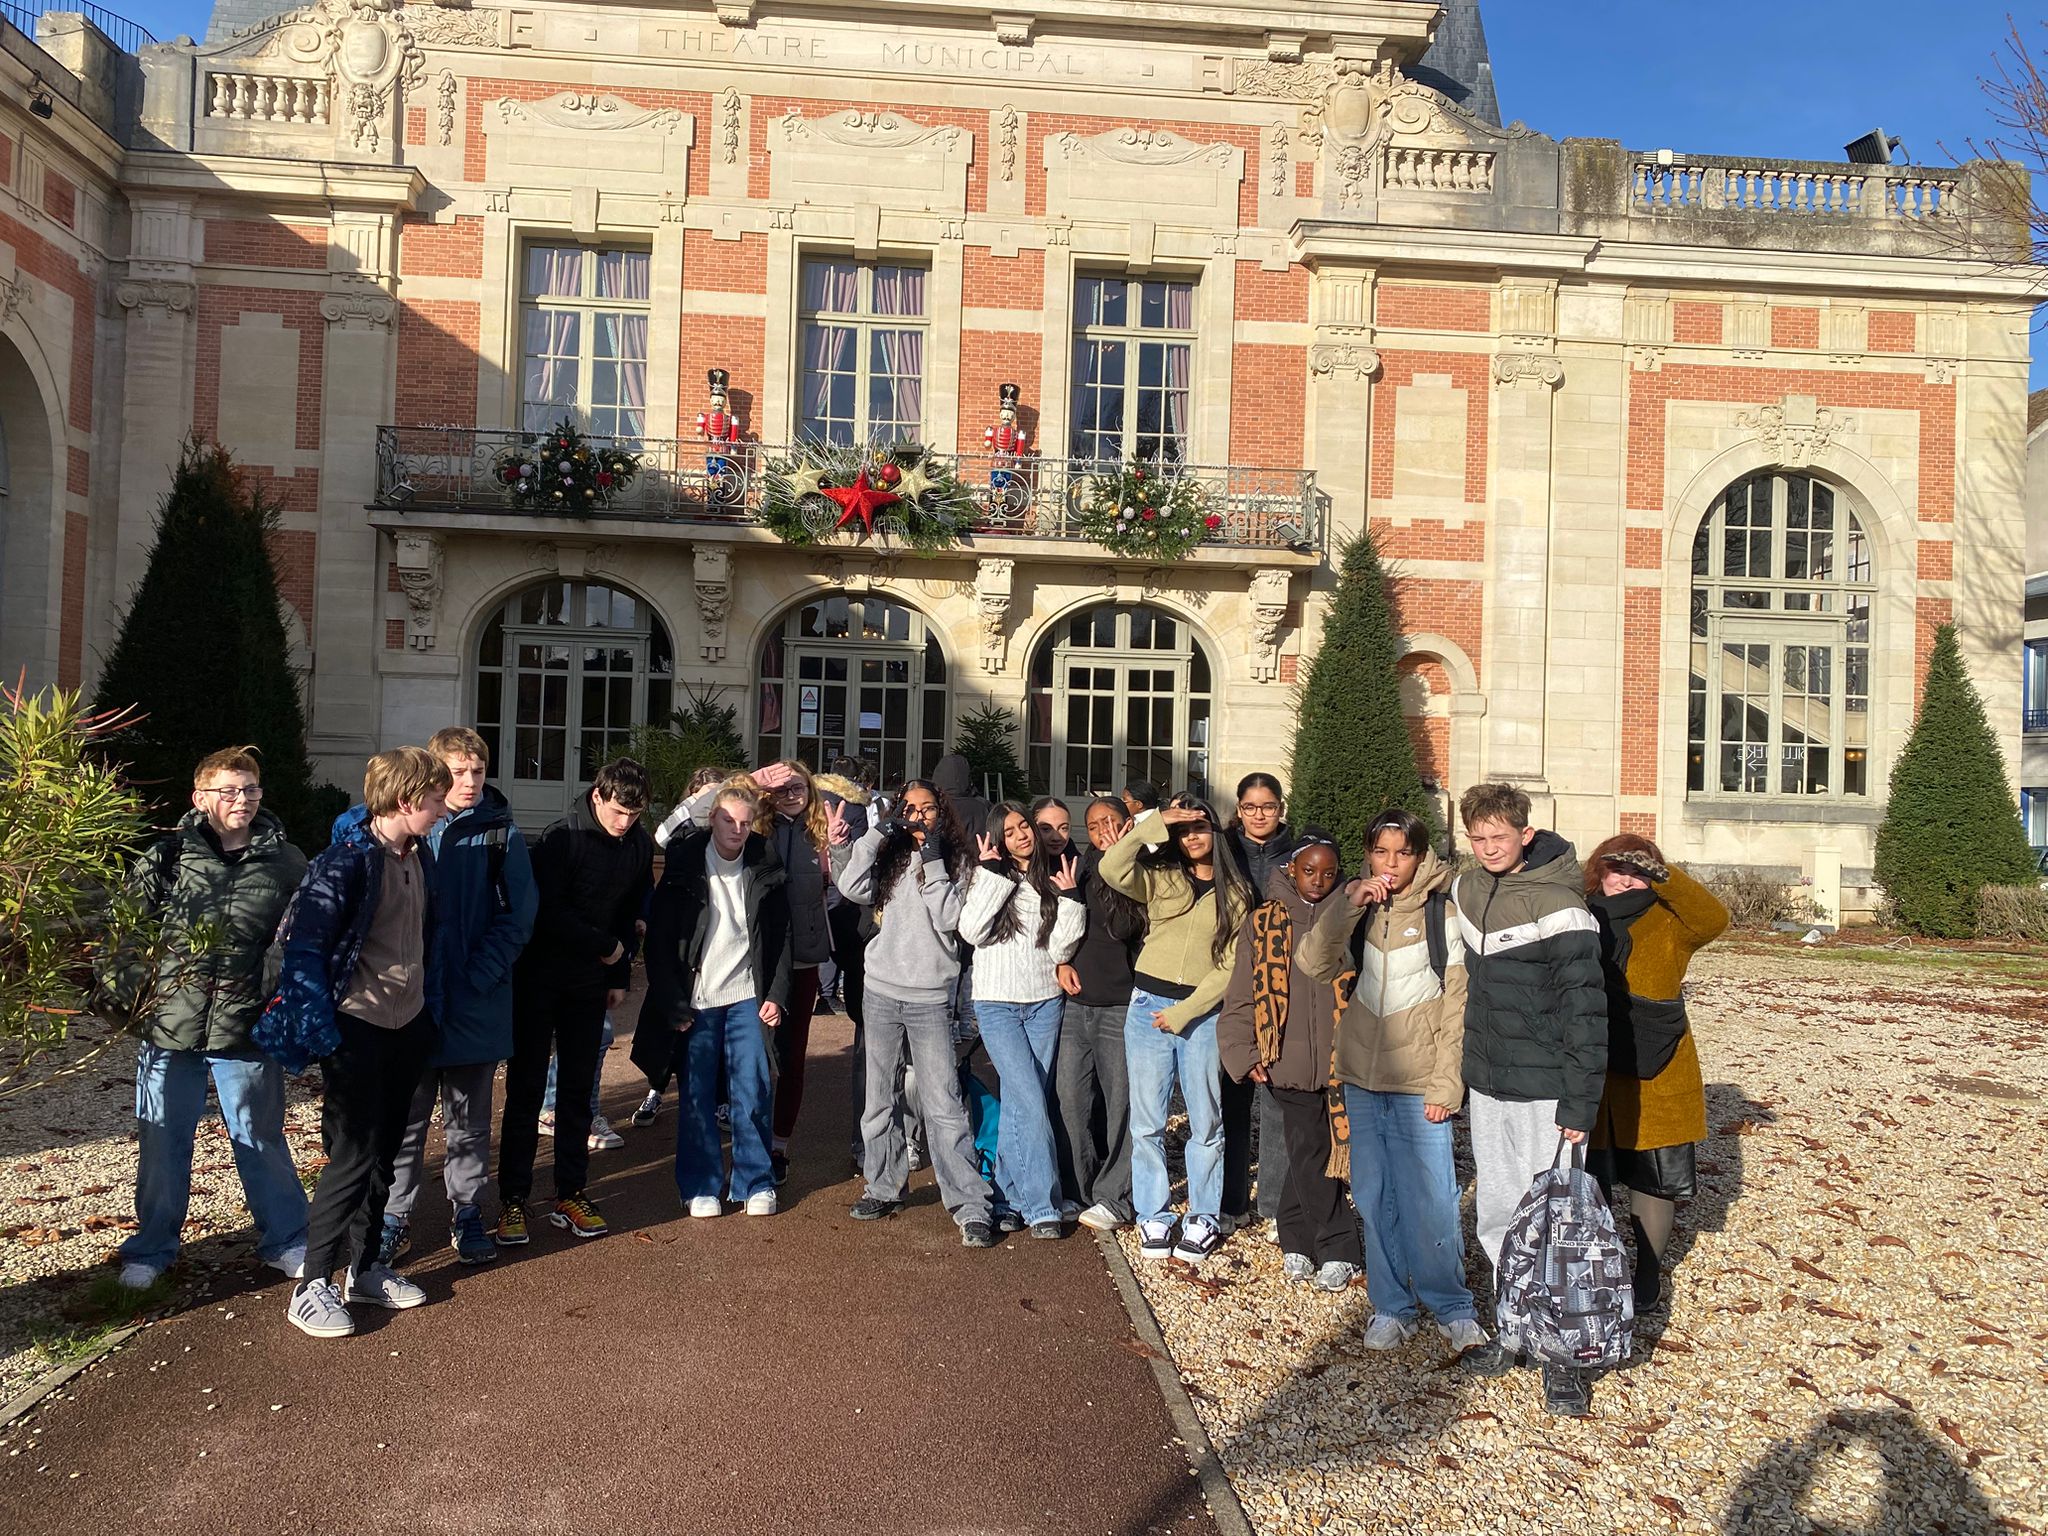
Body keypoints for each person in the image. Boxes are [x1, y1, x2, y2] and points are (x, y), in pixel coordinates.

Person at [101, 747, 310, 1292]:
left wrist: (275, 996)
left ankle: (287, 1239)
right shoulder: (167, 858)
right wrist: (136, 1003)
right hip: (170, 1029)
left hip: (245, 1029)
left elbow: (303, 940)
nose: (242, 800)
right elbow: (125, 933)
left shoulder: (287, 862)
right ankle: (151, 1250)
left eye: (251, 789)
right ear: (201, 798)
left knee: (259, 1137)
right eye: (229, 790)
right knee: (163, 1140)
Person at [259, 747, 449, 1339]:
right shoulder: (345, 862)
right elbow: (305, 952)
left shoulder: (419, 855)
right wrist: (325, 1032)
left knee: (385, 1151)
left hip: (407, 1026)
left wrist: (427, 1017)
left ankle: (364, 1270)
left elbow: (424, 939)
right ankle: (312, 1284)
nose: (444, 810)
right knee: (352, 1154)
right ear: (406, 801)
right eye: (436, 800)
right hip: (356, 1027)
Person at [1300, 808, 1495, 1366]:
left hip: (1418, 1082)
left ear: (1420, 855)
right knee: (1374, 1194)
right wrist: (1346, 904)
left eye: (1402, 853)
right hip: (1362, 1078)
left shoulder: (1444, 908)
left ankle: (1452, 1306)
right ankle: (1391, 1306)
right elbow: (1313, 964)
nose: (1390, 863)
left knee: (1431, 1198)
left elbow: (1459, 1005)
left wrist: (1446, 1084)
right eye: (1380, 852)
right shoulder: (1358, 905)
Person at [1451, 783, 1608, 1417]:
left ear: (1525, 834)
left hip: (1548, 1091)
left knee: (1557, 1224)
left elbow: (1586, 1012)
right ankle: (1514, 1329)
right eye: (1478, 838)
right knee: (1497, 1212)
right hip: (1490, 1085)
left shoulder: (1562, 905)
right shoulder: (1468, 888)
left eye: (1500, 837)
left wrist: (1580, 1105)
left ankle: (1564, 1358)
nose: (1490, 848)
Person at [381, 728, 536, 1270]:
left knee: (469, 1120)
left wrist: (481, 974)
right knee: (406, 1119)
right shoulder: (412, 828)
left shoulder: (500, 831)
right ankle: (393, 1218)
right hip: (413, 1000)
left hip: (474, 998)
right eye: (457, 771)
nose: (469, 781)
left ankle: (466, 1211)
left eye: (478, 770)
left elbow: (519, 915)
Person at [497, 758, 655, 1245]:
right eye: (618, 811)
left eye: (635, 814)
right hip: (538, 977)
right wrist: (606, 948)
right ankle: (513, 1199)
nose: (624, 822)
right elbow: (546, 912)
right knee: (525, 1091)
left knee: (577, 1090)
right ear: (597, 796)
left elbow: (631, 909)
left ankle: (570, 1192)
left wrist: (618, 971)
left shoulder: (637, 843)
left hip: (589, 980)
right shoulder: (560, 838)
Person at [836, 779, 998, 1247]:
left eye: (928, 808)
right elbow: (850, 886)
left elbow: (950, 919)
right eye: (909, 808)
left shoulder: (958, 862)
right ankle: (883, 1187)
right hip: (881, 990)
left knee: (943, 1102)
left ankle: (970, 1205)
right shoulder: (889, 857)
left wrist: (932, 858)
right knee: (878, 1098)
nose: (919, 815)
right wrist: (877, 833)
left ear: (941, 812)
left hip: (929, 995)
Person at [1100, 792, 1250, 1264]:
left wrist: (1186, 1012)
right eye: (1183, 831)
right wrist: (1158, 821)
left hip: (1201, 1014)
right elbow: (1111, 867)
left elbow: (1231, 966)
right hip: (1148, 1007)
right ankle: (1154, 1213)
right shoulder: (1162, 878)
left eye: (1199, 827)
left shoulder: (1237, 894)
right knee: (1147, 1121)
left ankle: (1203, 1216)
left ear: (1215, 832)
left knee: (1205, 1119)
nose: (1192, 837)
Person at [1582, 834, 1729, 1315]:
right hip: (1593, 1063)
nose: (1626, 880)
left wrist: (1667, 879)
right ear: (1599, 872)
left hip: (1656, 1065)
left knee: (1653, 1178)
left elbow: (1714, 919)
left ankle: (1648, 1271)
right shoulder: (1578, 914)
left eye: (1638, 871)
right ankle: (1597, 1266)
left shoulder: (1670, 921)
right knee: (1591, 1176)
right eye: (1617, 869)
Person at [636, 782, 792, 1216]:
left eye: (745, 822)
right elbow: (660, 939)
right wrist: (672, 1000)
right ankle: (699, 1184)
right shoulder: (685, 859)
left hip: (748, 994)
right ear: (712, 818)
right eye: (728, 820)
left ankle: (755, 1181)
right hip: (698, 996)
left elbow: (781, 933)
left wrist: (776, 994)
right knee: (697, 1092)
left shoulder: (764, 858)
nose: (736, 830)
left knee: (754, 1088)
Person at [1217, 830, 1361, 1292]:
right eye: (1309, 870)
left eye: (1329, 873)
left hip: (1342, 1060)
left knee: (1309, 1153)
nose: (1318, 880)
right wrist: (1242, 1051)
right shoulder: (1263, 922)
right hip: (1285, 1059)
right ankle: (1340, 1245)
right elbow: (1243, 990)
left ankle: (1295, 1238)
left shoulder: (1353, 916)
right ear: (1291, 869)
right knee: (1312, 1150)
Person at [959, 802, 1086, 1239]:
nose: (1022, 836)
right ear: (999, 838)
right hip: (997, 1003)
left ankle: (1007, 1198)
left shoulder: (1052, 877)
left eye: (1024, 827)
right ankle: (1042, 1205)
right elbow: (971, 931)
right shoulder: (988, 875)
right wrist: (993, 875)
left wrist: (1071, 900)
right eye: (1010, 831)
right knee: (1029, 1099)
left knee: (1023, 1099)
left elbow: (1061, 949)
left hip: (1044, 1002)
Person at [749, 759, 845, 1185]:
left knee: (791, 1056)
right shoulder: (755, 829)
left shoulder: (821, 832)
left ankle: (778, 1146)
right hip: (760, 959)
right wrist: (751, 785)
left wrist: (838, 850)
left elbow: (847, 885)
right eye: (782, 789)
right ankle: (749, 1141)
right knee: (753, 1054)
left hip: (804, 957)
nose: (790, 795)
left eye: (798, 787)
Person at [1053, 797, 1145, 1231]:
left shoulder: (1144, 869)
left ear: (1128, 823)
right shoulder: (1080, 868)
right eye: (1093, 825)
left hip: (1121, 1003)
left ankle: (1116, 1196)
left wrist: (1124, 859)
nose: (1103, 830)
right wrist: (1061, 962)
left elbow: (1130, 928)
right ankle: (1080, 1186)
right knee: (1071, 1099)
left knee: (1121, 1102)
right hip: (1077, 1003)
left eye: (1111, 821)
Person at [635, 765, 729, 1128]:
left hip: (713, 931)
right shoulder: (681, 828)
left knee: (714, 1022)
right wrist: (697, 803)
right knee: (667, 1019)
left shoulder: (730, 830)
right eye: (704, 795)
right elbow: (661, 835)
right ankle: (656, 1087)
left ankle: (720, 1098)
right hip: (678, 928)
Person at [1220, 771, 1293, 1237]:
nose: (1259, 815)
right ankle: (1231, 1200)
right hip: (1230, 985)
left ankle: (1274, 1204)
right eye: (1250, 807)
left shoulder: (1298, 853)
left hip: (1283, 988)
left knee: (1278, 1100)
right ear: (1239, 810)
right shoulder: (1224, 850)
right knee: (1231, 1097)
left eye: (1267, 807)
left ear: (1280, 809)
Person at [818, 757, 876, 1163]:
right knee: (869, 1040)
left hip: (828, 912)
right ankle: (871, 1141)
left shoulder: (811, 799)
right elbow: (857, 870)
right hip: (852, 917)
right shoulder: (853, 807)